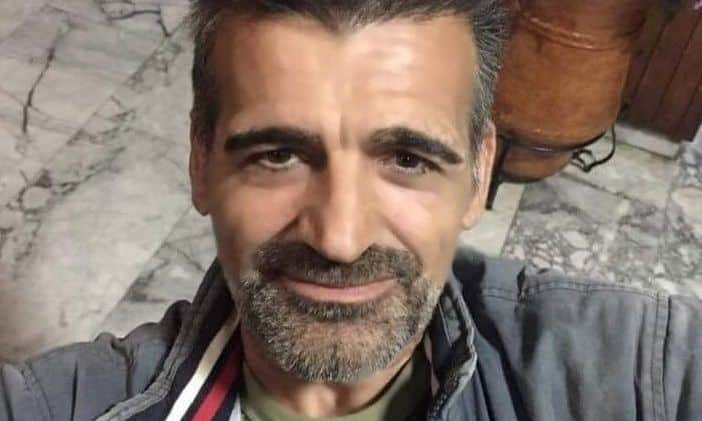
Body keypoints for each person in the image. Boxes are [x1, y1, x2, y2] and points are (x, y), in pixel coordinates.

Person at [1, 0, 701, 420]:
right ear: (200, 161)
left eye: (408, 159)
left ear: (479, 172)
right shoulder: (60, 404)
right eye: (278, 155)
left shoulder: (635, 368)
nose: (339, 237)